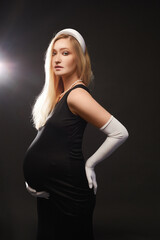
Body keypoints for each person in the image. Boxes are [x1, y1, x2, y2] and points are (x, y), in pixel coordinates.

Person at [23, 28, 129, 240]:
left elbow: (119, 132)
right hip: (52, 193)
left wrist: (90, 164)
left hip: (69, 194)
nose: (57, 59)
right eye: (54, 53)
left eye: (65, 53)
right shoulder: (60, 96)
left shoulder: (76, 95)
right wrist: (34, 181)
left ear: (78, 59)